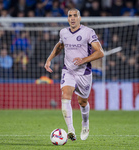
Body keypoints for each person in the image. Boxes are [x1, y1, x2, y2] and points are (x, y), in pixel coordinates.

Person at [44, 8, 104, 141]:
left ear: (79, 18)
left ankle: (85, 123)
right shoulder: (63, 32)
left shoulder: (88, 32)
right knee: (65, 95)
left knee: (82, 102)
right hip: (68, 71)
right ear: (67, 18)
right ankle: (71, 130)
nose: (72, 18)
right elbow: (59, 46)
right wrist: (49, 59)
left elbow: (100, 52)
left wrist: (83, 60)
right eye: (70, 16)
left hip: (84, 73)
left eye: (75, 15)